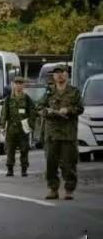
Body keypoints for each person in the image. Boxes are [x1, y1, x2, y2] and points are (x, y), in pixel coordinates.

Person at [37, 64, 83, 199]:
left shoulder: (74, 91)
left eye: (61, 72)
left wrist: (68, 110)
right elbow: (39, 107)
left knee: (69, 163)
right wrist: (46, 112)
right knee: (51, 163)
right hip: (52, 133)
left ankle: (69, 189)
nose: (59, 75)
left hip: (68, 133)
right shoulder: (49, 92)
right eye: (56, 73)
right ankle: (53, 189)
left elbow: (80, 108)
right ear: (54, 76)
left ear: (66, 74)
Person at [0, 77, 35, 177]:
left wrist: (31, 125)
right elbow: (4, 114)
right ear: (13, 85)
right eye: (17, 83)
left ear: (23, 85)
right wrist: (2, 126)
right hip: (11, 129)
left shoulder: (27, 98)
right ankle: (10, 169)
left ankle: (24, 169)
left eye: (20, 83)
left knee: (24, 149)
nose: (18, 85)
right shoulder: (9, 99)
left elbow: (32, 112)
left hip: (23, 129)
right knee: (10, 150)